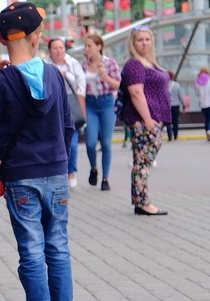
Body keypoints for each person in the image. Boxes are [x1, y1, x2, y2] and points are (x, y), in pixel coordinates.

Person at [0, 2, 77, 301]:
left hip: (21, 175)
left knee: (31, 247)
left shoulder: (1, 82)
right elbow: (68, 126)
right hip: (57, 172)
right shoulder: (54, 74)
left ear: (4, 40)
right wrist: (59, 160)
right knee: (58, 244)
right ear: (37, 38)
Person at [121, 26, 170, 216]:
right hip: (143, 121)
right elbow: (135, 92)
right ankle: (142, 202)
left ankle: (141, 200)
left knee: (143, 160)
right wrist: (148, 119)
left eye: (148, 39)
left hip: (154, 119)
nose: (144, 43)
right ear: (133, 43)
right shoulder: (134, 64)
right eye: (140, 40)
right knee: (142, 161)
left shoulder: (149, 63)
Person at [81, 33, 121, 191]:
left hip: (107, 104)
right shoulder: (83, 65)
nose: (87, 49)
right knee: (90, 142)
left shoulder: (110, 63)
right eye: (85, 46)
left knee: (105, 143)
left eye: (89, 45)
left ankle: (105, 178)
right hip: (90, 104)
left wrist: (104, 75)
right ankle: (93, 168)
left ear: (99, 46)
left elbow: (118, 85)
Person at [47, 37, 86, 188]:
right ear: (50, 51)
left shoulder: (73, 64)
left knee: (73, 143)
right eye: (55, 48)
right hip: (53, 105)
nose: (58, 51)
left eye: (61, 48)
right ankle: (59, 172)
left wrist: (66, 75)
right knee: (57, 141)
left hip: (71, 105)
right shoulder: (45, 66)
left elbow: (81, 86)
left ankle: (72, 172)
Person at [194, 66, 210, 142]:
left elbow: (197, 93)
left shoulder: (197, 81)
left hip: (202, 103)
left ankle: (207, 133)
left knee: (206, 119)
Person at [166, 70, 186, 141]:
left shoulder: (164, 84)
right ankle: (175, 136)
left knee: (168, 121)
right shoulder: (177, 85)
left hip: (167, 106)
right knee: (175, 121)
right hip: (176, 105)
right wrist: (184, 105)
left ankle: (169, 136)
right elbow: (180, 96)